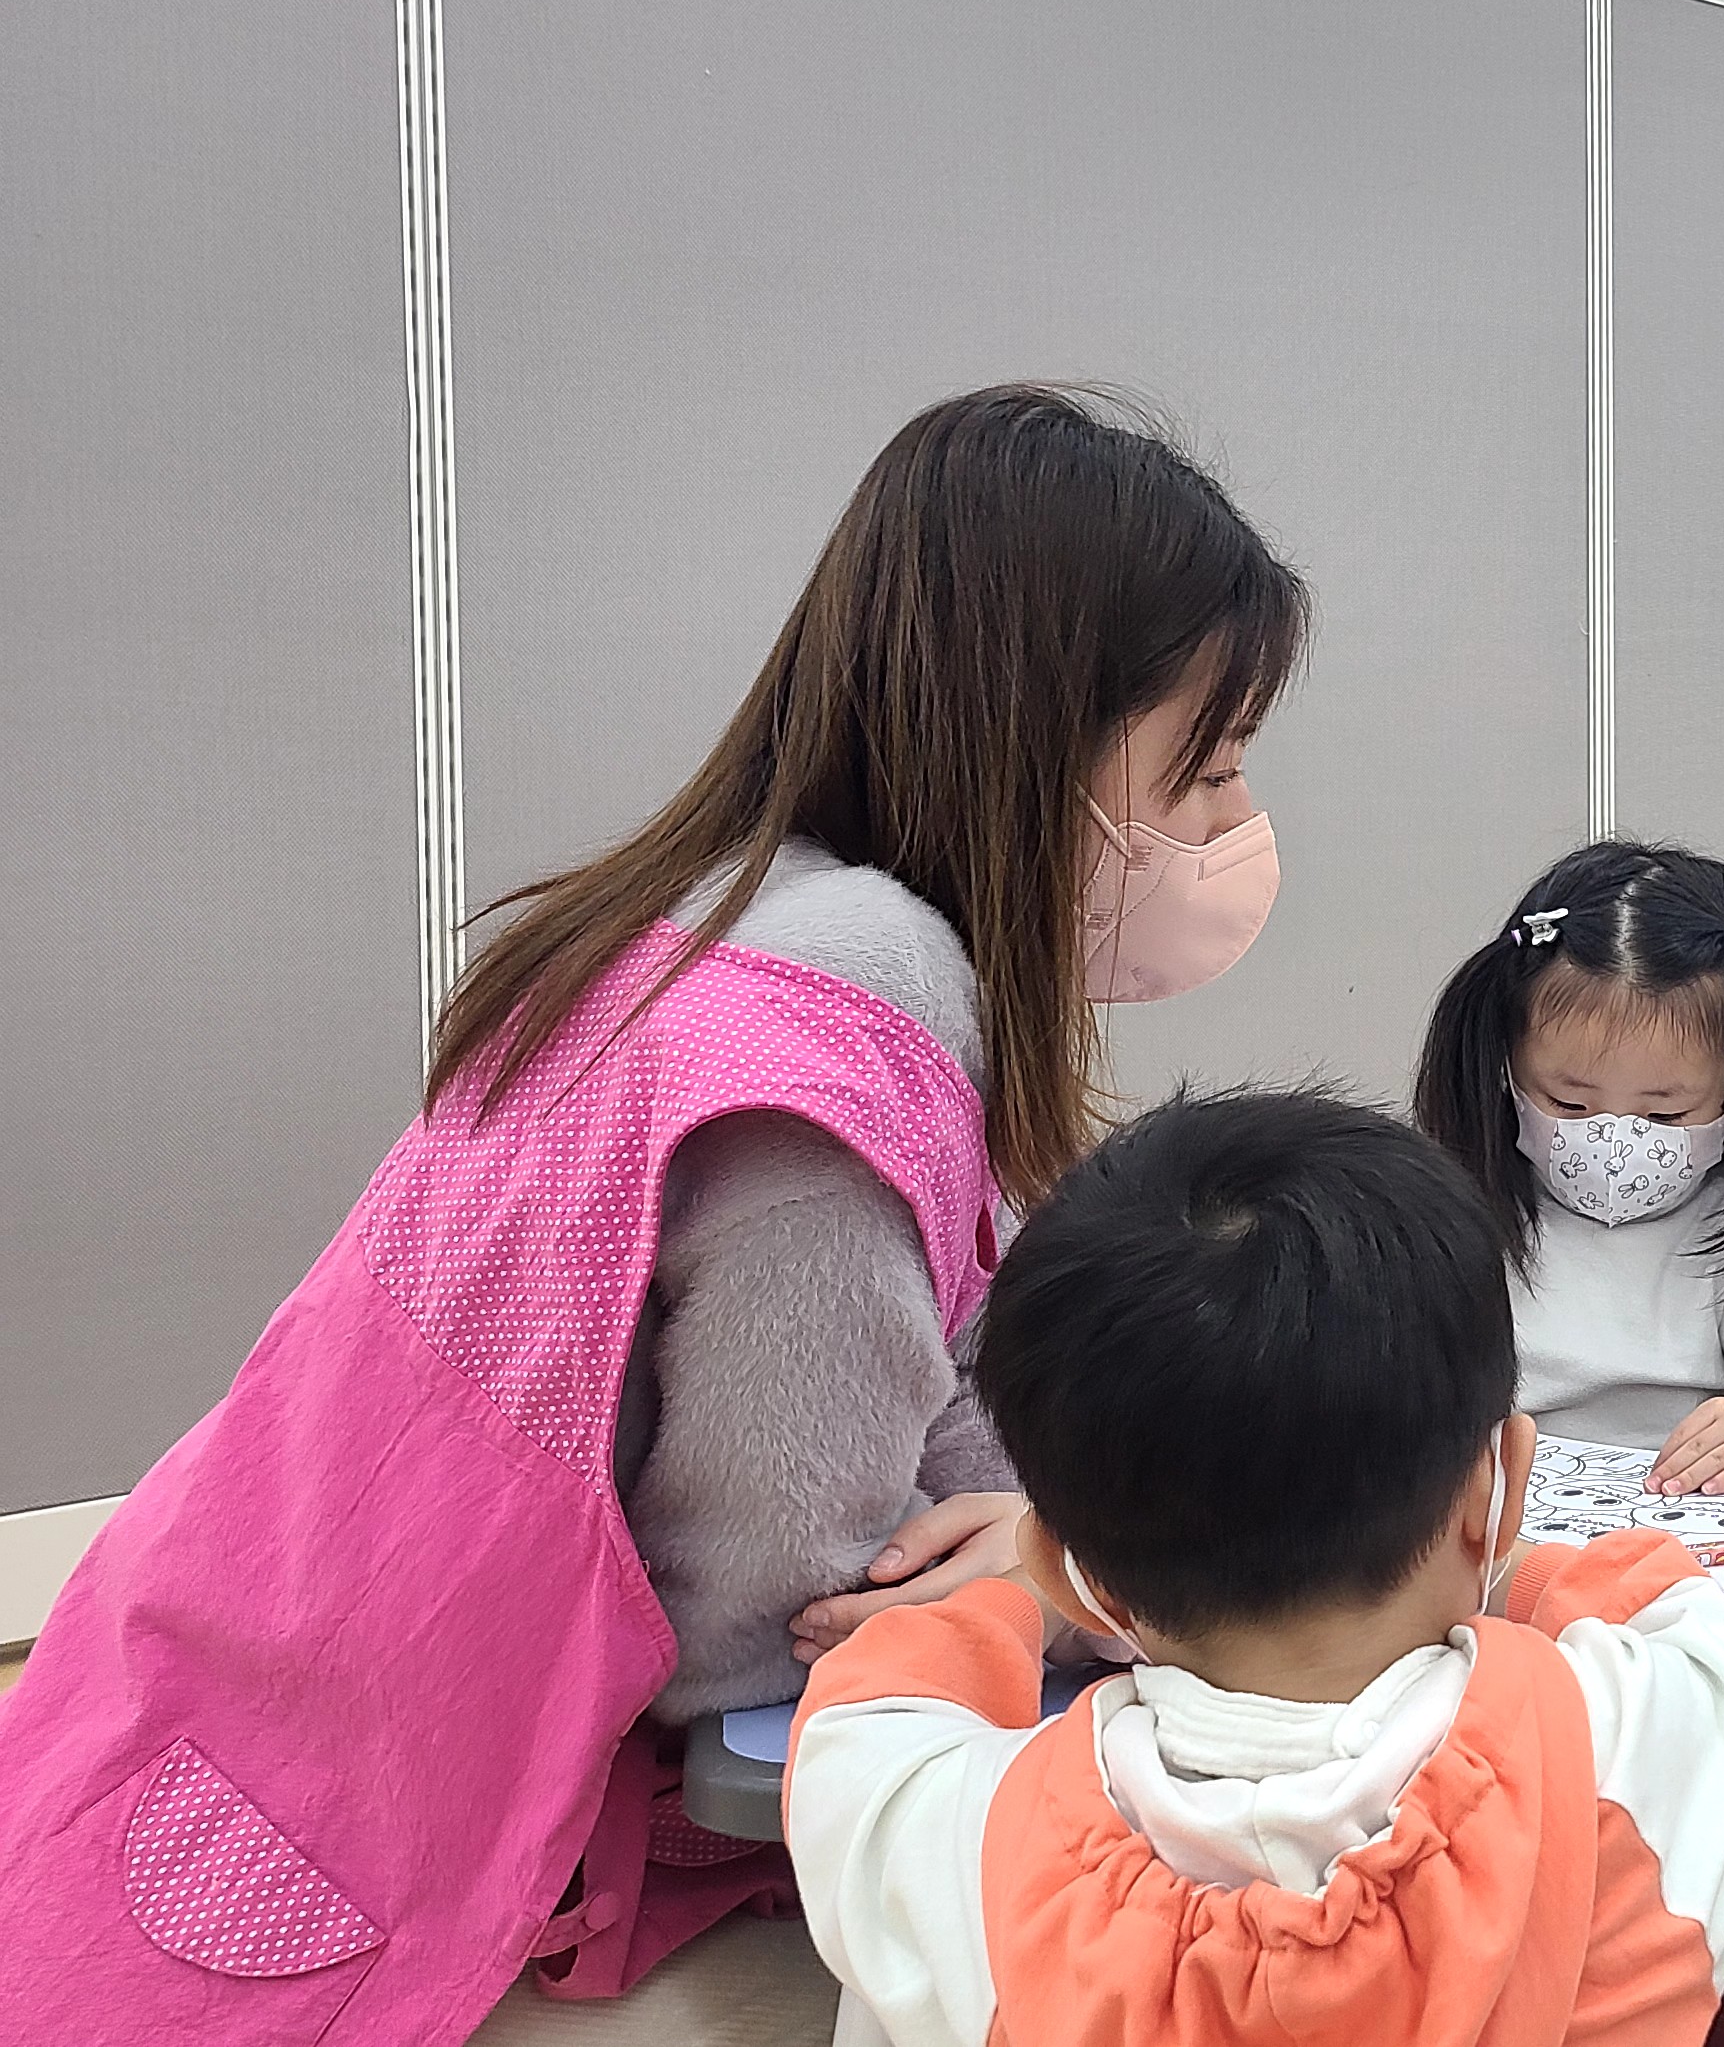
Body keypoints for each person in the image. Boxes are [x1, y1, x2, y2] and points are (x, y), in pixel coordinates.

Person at [0, 385, 1307, 2034]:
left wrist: (1069, 1534)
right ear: (1046, 744)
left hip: (187, 1691)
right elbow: (781, 1630)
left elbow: (967, 1370)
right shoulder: (832, 1062)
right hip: (367, 1835)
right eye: (1209, 771)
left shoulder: (717, 922)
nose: (1230, 830)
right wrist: (1073, 1593)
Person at [787, 1088, 1724, 2047]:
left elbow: (870, 1712)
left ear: (1068, 1570)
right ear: (1494, 1494)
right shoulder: (1621, 1749)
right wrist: (1488, 1538)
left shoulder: (950, 1838)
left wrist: (1026, 1592)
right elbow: (1675, 1612)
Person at [1414, 841, 1724, 1490]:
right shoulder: (1453, 1213)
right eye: (1569, 1104)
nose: (1615, 1140)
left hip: (1684, 1507)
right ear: (1504, 1066)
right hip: (1505, 1510)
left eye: (1665, 1115)